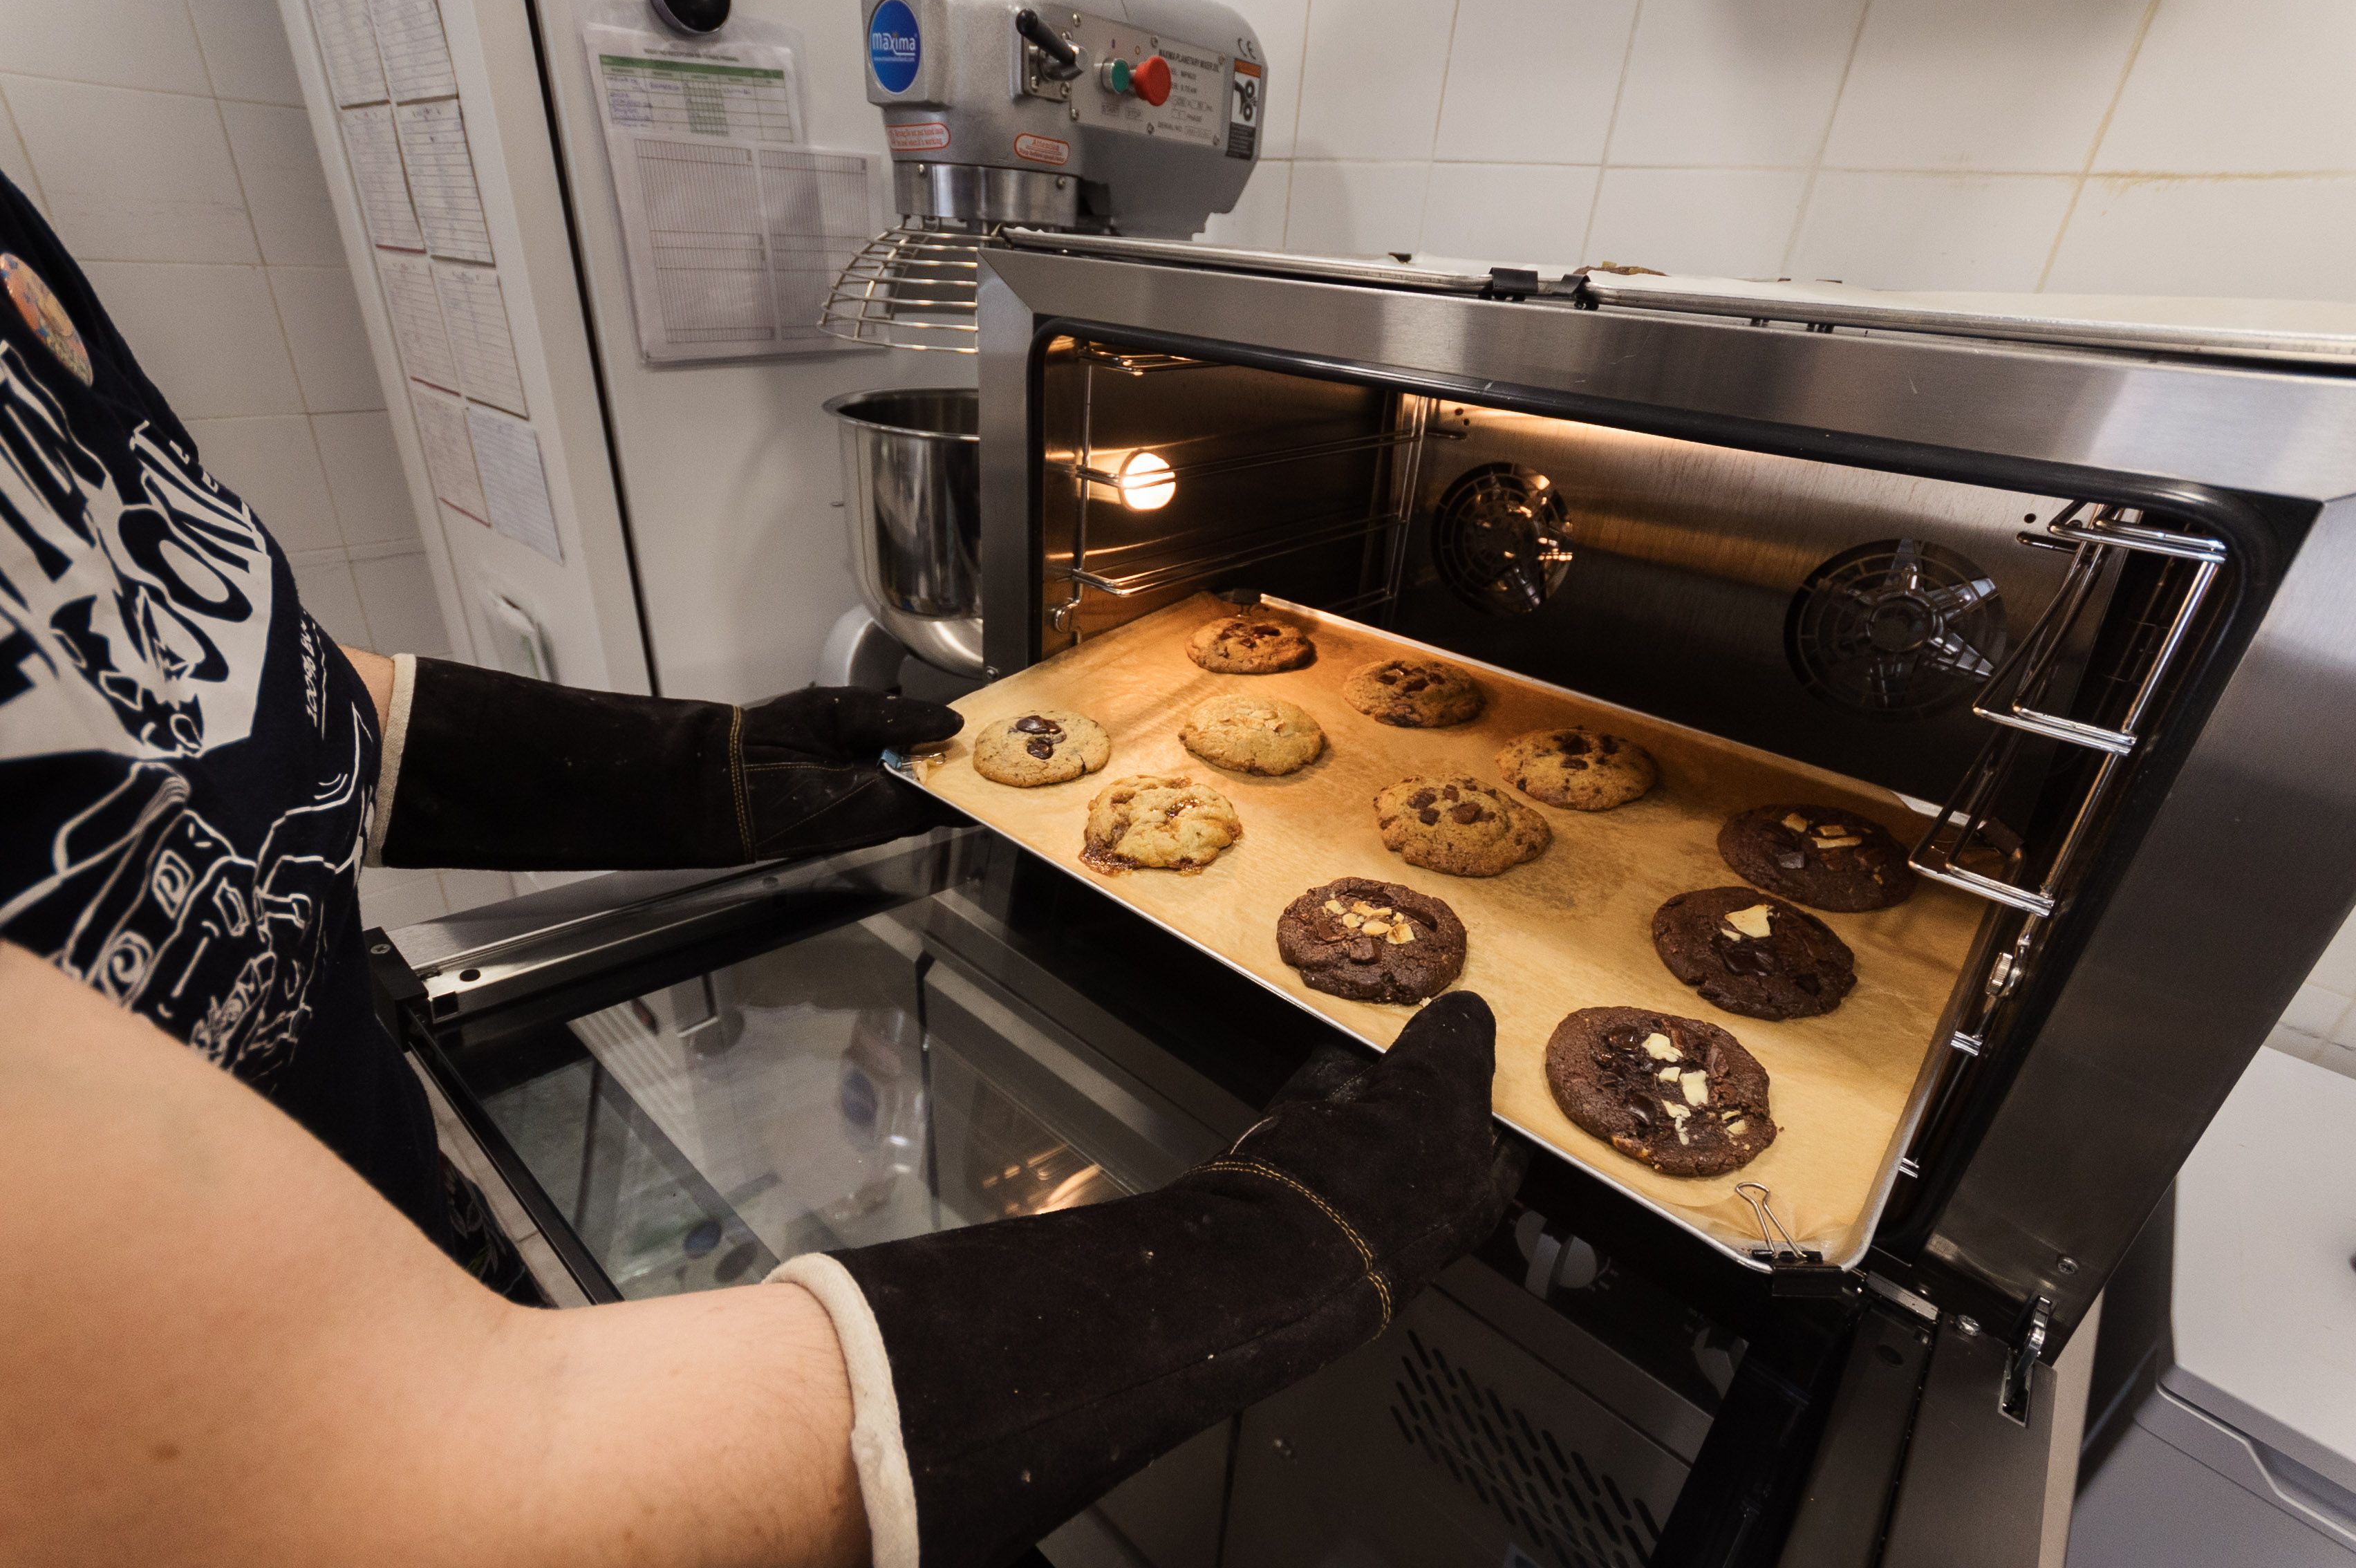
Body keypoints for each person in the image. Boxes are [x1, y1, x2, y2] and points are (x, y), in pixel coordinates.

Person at [0, 168, 1514, 1568]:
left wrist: (696, 774)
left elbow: (233, 703)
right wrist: (1259, 1256)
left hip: (385, 1234)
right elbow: (466, 1477)